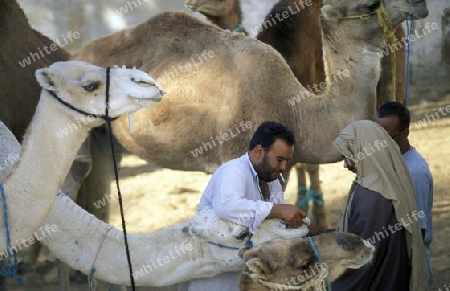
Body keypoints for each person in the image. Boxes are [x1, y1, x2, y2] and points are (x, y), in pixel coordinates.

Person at [178, 121, 307, 291]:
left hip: (244, 268)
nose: (283, 167)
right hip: (214, 271)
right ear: (259, 151)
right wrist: (279, 210)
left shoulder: (272, 180)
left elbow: (271, 226)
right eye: (280, 159)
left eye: (286, 161)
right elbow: (227, 207)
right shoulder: (233, 170)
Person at [331, 120, 429, 291]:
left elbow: (359, 254)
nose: (345, 164)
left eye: (350, 156)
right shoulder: (384, 184)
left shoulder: (373, 196)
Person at [375, 101, 434, 284]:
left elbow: (418, 230)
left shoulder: (415, 172)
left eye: (387, 137)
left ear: (405, 133)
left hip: (406, 266)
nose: (379, 143)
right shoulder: (389, 158)